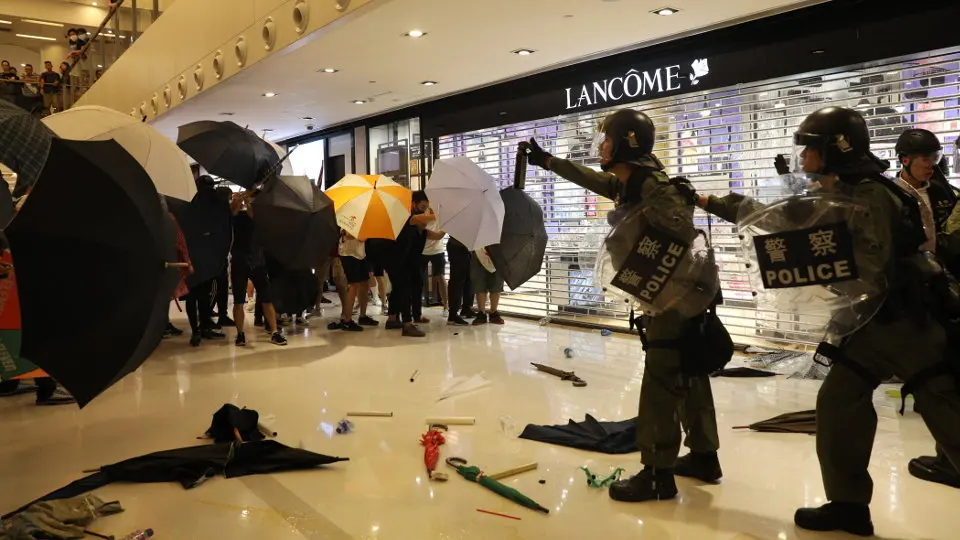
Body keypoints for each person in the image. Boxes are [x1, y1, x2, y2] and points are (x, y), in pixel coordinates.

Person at [699, 107, 959, 536]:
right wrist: (711, 202)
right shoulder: (840, 192)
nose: (803, 158)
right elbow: (779, 219)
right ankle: (848, 506)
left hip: (907, 325)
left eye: (810, 149)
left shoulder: (870, 196)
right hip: (870, 327)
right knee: (839, 404)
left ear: (836, 149)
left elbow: (871, 267)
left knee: (949, 417)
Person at [520, 109, 723, 503]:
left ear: (626, 144)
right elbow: (596, 180)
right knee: (690, 375)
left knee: (662, 383)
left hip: (672, 302)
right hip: (672, 299)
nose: (602, 148)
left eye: (607, 141)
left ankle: (657, 474)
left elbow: (684, 238)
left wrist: (665, 291)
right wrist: (549, 162)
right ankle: (704, 456)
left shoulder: (654, 189)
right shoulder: (633, 183)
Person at [229, 192, 286, 347]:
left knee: (267, 298)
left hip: (257, 261)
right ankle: (240, 334)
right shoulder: (234, 217)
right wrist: (237, 200)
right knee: (238, 301)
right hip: (240, 261)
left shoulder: (259, 217)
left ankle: (274, 332)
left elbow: (254, 217)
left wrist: (248, 202)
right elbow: (232, 212)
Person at [383, 191, 441, 337]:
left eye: (426, 208)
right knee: (404, 289)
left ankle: (392, 319)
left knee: (400, 289)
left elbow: (437, 236)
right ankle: (407, 325)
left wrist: (447, 226)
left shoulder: (419, 227)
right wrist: (442, 215)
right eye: (422, 207)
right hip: (394, 259)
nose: (424, 211)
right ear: (413, 204)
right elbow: (418, 218)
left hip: (404, 261)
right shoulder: (406, 216)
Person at [336, 231, 377, 331]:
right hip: (349, 253)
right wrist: (362, 236)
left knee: (364, 283)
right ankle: (347, 320)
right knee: (354, 285)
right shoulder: (347, 221)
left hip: (360, 253)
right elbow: (347, 234)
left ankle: (363, 316)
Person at [420, 208, 448, 315]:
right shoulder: (421, 215)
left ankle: (446, 306)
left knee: (440, 277)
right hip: (422, 251)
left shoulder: (443, 216)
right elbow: (432, 235)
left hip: (438, 251)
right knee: (418, 278)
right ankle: (417, 306)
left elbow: (438, 236)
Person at [446, 236, 476, 326]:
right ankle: (453, 315)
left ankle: (466, 309)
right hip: (457, 247)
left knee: (469, 280)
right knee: (457, 281)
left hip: (467, 248)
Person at [470, 247, 504, 325]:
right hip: (478, 253)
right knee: (479, 284)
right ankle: (481, 313)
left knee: (496, 284)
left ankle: (494, 312)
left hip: (498, 254)